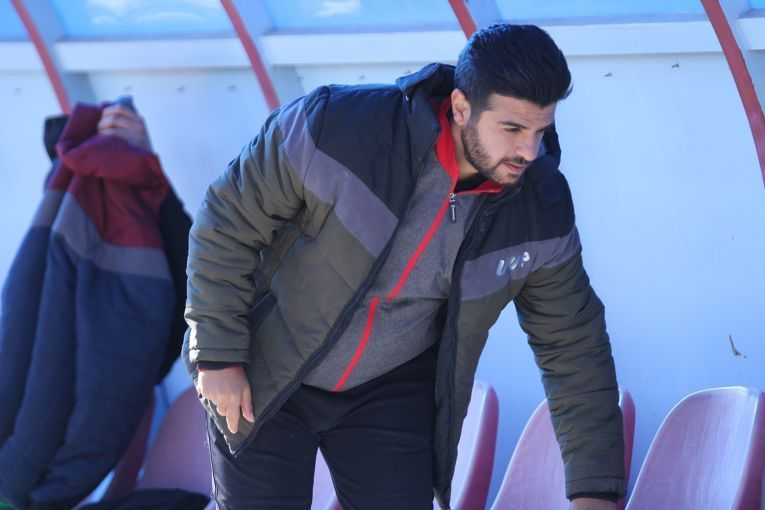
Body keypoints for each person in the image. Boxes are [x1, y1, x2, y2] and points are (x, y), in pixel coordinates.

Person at [185, 23, 625, 510]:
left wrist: (595, 490)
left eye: (540, 131)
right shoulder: (335, 128)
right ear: (461, 107)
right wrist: (218, 355)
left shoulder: (539, 205)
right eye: (512, 129)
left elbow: (573, 344)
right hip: (269, 366)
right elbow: (225, 222)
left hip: (390, 389)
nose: (529, 151)